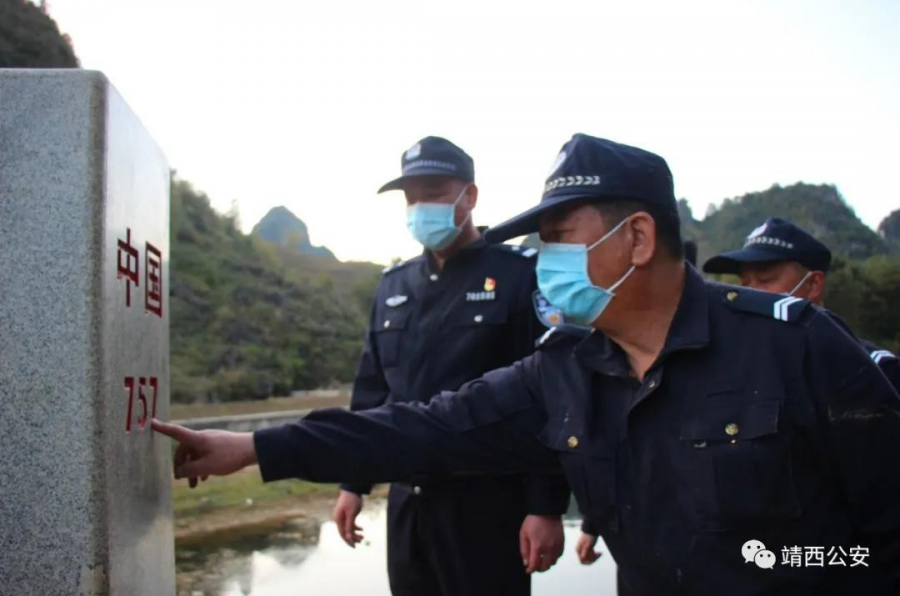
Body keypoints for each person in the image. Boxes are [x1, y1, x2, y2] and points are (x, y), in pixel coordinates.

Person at [154, 134, 900, 596]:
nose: (544, 262)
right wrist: (254, 447)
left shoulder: (797, 344)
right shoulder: (565, 373)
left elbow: (885, 532)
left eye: (558, 237)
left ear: (636, 238)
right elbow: (420, 429)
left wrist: (777, 565)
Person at [331, 136, 569, 596]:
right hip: (408, 506)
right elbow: (372, 392)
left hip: (488, 506)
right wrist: (352, 482)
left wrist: (545, 506)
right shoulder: (393, 287)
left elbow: (551, 398)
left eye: (435, 192)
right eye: (412, 197)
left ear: (470, 196)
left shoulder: (521, 276)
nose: (422, 206)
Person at [702, 217, 900, 392]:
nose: (749, 294)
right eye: (744, 284)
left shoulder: (875, 371)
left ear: (813, 284)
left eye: (765, 279)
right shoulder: (730, 372)